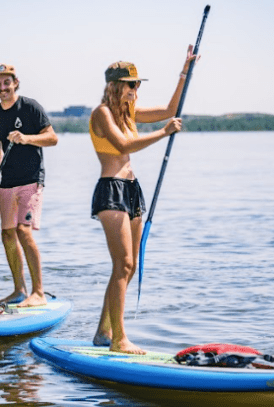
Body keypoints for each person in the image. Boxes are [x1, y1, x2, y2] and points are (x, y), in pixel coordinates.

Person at [90, 46, 198, 354]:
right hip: (110, 190)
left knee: (130, 266)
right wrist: (163, 133)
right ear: (115, 86)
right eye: (132, 85)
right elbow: (123, 143)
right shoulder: (102, 113)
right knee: (122, 263)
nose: (136, 90)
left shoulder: (129, 112)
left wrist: (184, 73)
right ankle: (119, 341)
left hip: (133, 190)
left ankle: (104, 331)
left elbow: (169, 109)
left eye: (138, 85)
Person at [0, 63, 58, 307]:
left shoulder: (31, 107)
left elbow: (52, 138)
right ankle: (19, 290)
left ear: (15, 83)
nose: (2, 88)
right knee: (7, 234)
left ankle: (39, 293)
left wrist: (26, 138)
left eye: (6, 82)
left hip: (32, 180)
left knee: (23, 231)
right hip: (7, 182)